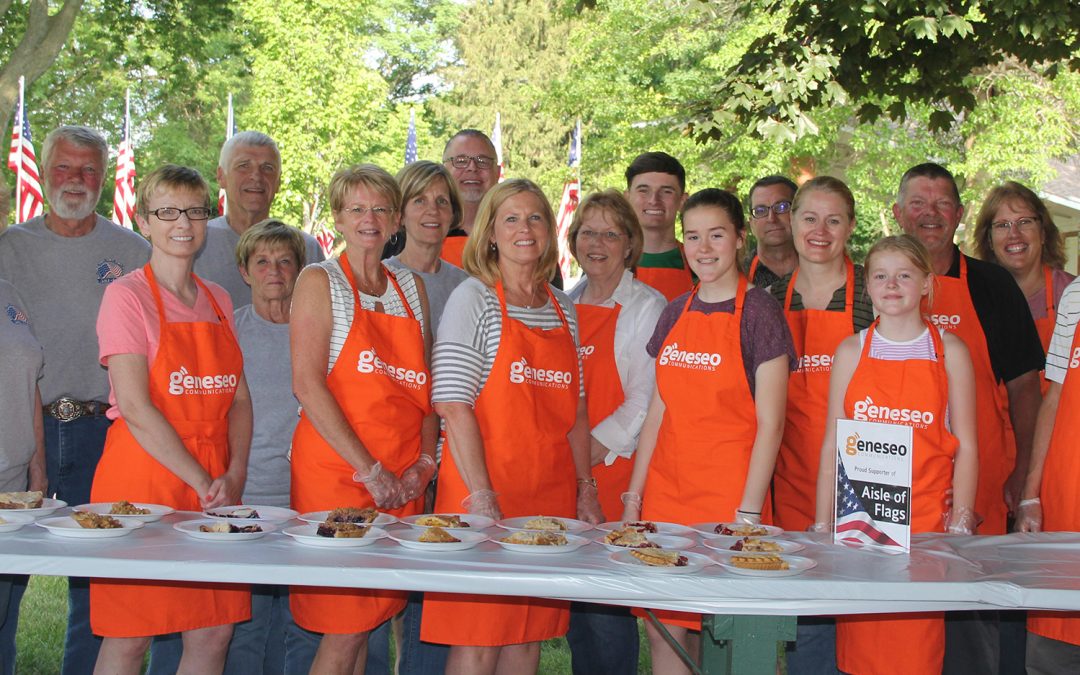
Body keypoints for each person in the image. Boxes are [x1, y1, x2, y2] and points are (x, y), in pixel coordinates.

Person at [421, 179, 602, 675]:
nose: (526, 228)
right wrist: (481, 497)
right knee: (479, 639)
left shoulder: (563, 308)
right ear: (492, 233)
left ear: (549, 230)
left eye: (536, 218)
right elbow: (452, 404)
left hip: (548, 496)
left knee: (528, 636)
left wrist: (586, 487)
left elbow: (578, 410)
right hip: (484, 493)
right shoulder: (473, 299)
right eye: (512, 219)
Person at [622, 188, 794, 674]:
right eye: (693, 236)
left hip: (731, 503)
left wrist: (748, 514)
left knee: (739, 650)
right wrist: (635, 496)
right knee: (664, 634)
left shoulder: (760, 312)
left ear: (740, 238)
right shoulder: (675, 311)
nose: (704, 247)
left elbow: (772, 423)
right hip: (665, 499)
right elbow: (659, 407)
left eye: (716, 234)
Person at [89, 164, 252, 674]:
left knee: (212, 631)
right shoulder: (126, 296)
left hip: (215, 484)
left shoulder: (220, 300)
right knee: (131, 635)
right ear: (143, 220)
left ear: (209, 219)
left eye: (195, 211)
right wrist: (204, 479)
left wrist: (236, 471)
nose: (183, 222)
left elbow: (240, 401)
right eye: (167, 211)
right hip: (144, 481)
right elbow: (136, 408)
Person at [0, 125, 150, 675]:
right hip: (22, 430)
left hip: (102, 429)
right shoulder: (9, 248)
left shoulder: (133, 251)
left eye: (89, 169)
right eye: (64, 167)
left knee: (98, 583)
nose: (76, 180)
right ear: (44, 170)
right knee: (6, 578)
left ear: (104, 177)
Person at [892, 163, 1043, 674]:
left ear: (958, 215)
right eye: (918, 202)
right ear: (897, 213)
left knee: (970, 630)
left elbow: (1025, 386)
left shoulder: (991, 284)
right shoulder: (880, 282)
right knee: (897, 625)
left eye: (941, 204)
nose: (929, 214)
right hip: (894, 485)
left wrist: (1023, 473)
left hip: (974, 485)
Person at [288, 164, 437, 675]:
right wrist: (370, 471)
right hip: (339, 478)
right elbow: (307, 385)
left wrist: (423, 464)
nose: (368, 219)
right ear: (338, 218)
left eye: (379, 208)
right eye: (355, 209)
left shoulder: (411, 288)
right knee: (344, 627)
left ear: (397, 217)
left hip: (400, 482)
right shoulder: (318, 281)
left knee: (370, 620)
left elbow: (426, 392)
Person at [814, 234, 978, 675]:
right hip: (861, 529)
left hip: (925, 533)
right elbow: (833, 442)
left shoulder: (950, 351)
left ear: (926, 283)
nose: (892, 285)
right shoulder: (851, 351)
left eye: (904, 275)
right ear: (866, 285)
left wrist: (960, 521)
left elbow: (968, 444)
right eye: (881, 276)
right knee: (861, 653)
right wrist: (823, 523)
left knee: (916, 652)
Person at [768, 176, 873, 674]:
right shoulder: (766, 299)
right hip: (786, 477)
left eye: (834, 220)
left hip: (861, 483)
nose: (820, 231)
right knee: (804, 616)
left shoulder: (875, 297)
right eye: (810, 218)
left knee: (860, 619)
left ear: (850, 227)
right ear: (791, 222)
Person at [565, 189, 666, 675]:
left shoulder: (647, 306)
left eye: (610, 233)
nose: (597, 243)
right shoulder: (564, 303)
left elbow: (646, 401)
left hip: (614, 473)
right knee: (575, 617)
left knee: (607, 615)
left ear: (630, 244)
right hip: (567, 474)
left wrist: (586, 453)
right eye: (588, 232)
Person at [381, 160, 469, 675]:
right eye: (420, 200)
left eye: (442, 201)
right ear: (400, 212)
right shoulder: (382, 280)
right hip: (401, 450)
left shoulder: (468, 284)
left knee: (438, 570)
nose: (432, 211)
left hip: (453, 447)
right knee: (397, 579)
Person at [221, 219, 319, 674]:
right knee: (246, 627)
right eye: (262, 261)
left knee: (305, 628)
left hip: (311, 498)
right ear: (244, 271)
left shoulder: (321, 329)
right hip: (250, 498)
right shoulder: (228, 333)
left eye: (285, 261)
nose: (274, 270)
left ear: (302, 269)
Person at [1016, 275, 1080, 673]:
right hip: (1066, 504)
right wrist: (1031, 495)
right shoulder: (1075, 295)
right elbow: (1054, 395)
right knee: (1053, 652)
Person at [193, 131, 325, 307]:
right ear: (221, 176)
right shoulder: (195, 243)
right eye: (243, 166)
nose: (256, 176)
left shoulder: (307, 249)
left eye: (267, 168)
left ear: (278, 181)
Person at [972, 181, 1075, 394]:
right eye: (1002, 225)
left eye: (1024, 222)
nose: (1014, 234)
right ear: (989, 240)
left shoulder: (1071, 294)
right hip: (996, 425)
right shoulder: (975, 296)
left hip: (1060, 423)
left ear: (1044, 233)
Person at [0, 277, 45, 675]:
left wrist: (38, 467)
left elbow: (30, 384)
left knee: (4, 612)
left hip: (12, 484)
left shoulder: (9, 292)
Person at [625, 151, 693, 301]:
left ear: (682, 201)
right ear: (627, 198)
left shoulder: (700, 263)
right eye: (643, 190)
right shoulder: (609, 263)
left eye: (666, 191)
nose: (654, 200)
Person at [438, 129, 501, 268]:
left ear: (498, 172)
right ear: (443, 171)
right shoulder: (420, 230)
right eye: (461, 161)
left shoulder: (516, 231)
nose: (472, 168)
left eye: (483, 161)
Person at [746, 175, 798, 288]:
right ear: (751, 223)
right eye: (760, 211)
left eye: (782, 207)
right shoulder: (737, 276)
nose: (771, 218)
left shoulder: (823, 267)